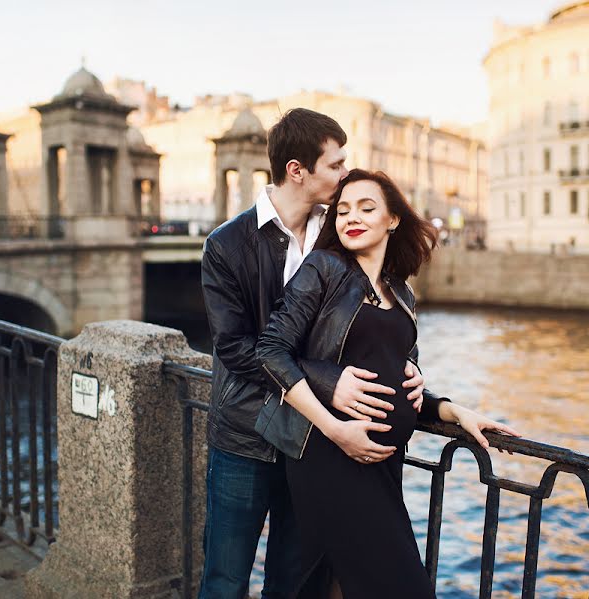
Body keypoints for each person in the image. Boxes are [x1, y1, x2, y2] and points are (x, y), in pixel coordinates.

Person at [256, 169, 521, 599]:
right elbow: (269, 351)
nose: (350, 218)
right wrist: (336, 429)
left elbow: (396, 384)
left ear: (392, 219)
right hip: (328, 456)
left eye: (365, 207)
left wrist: (453, 411)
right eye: (342, 210)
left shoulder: (402, 294)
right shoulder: (324, 268)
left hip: (383, 466)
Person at [199, 109, 427, 599]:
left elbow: (366, 325)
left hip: (315, 446)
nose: (345, 175)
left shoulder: (340, 234)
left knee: (293, 584)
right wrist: (328, 381)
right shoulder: (226, 244)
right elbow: (238, 349)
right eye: (336, 165)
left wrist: (411, 371)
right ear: (298, 171)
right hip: (246, 434)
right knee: (225, 577)